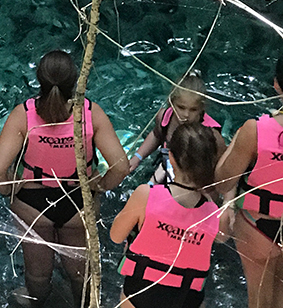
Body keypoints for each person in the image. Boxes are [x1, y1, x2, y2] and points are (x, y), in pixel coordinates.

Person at [0, 49, 129, 306]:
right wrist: (101, 185)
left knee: (37, 274)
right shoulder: (90, 113)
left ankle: (37, 301)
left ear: (39, 80)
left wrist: (9, 189)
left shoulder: (24, 114)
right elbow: (121, 166)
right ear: (74, 81)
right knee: (80, 276)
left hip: (32, 205)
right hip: (78, 205)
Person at [111, 122, 224, 308]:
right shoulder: (215, 213)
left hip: (140, 291)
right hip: (188, 297)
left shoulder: (145, 195)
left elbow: (116, 236)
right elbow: (217, 239)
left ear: (170, 158)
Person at [215, 56, 283, 308]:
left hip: (257, 224)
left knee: (260, 301)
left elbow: (223, 182)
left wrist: (235, 142)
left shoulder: (255, 130)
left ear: (276, 85)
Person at [129, 73, 225, 183]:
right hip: (166, 164)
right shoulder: (164, 117)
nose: (186, 114)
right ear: (172, 102)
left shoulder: (211, 134)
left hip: (193, 181)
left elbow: (222, 167)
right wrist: (137, 157)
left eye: (193, 109)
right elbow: (156, 135)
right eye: (181, 107)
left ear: (202, 108)